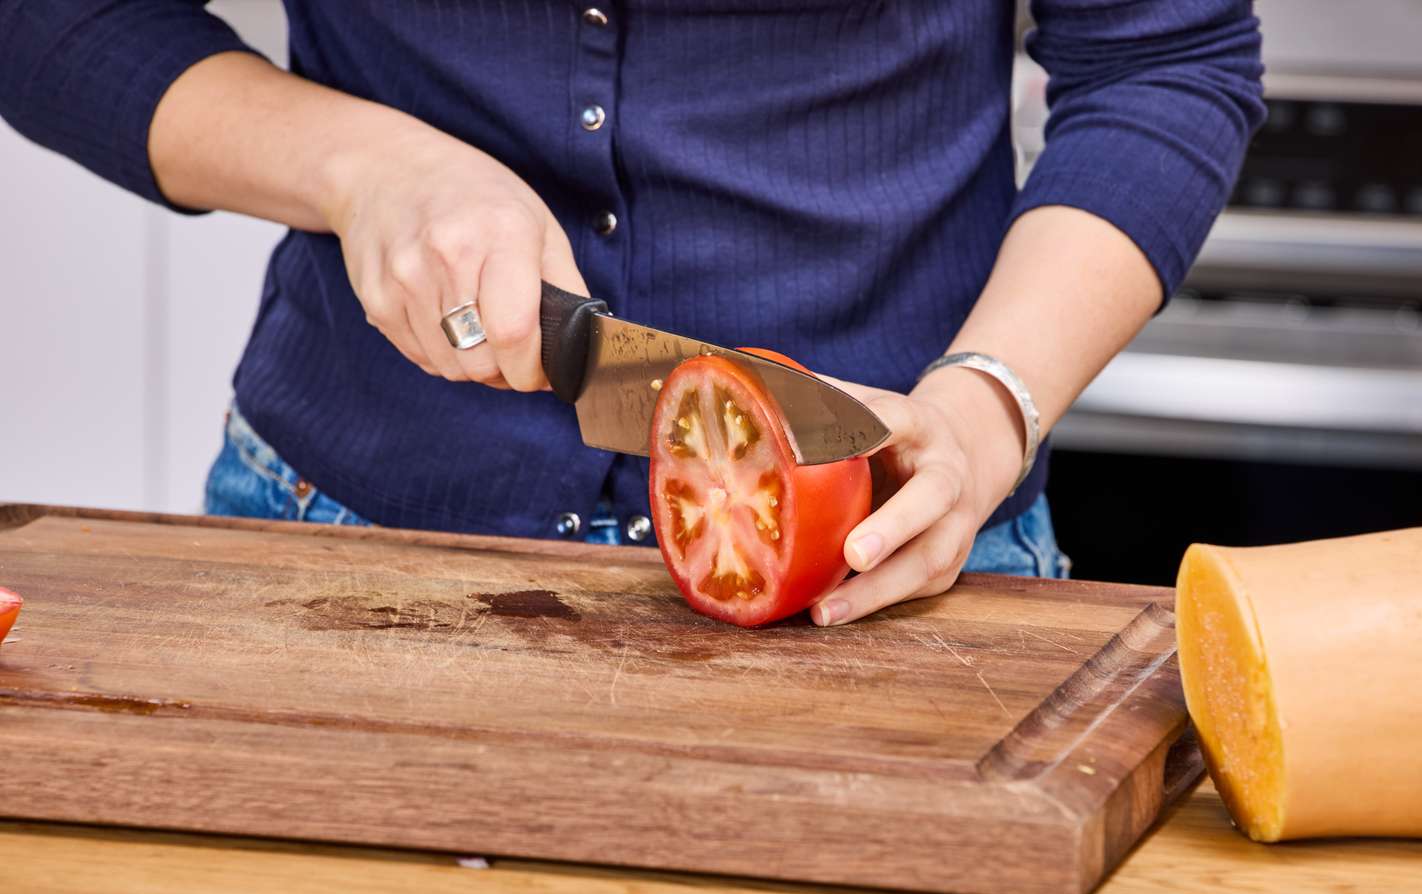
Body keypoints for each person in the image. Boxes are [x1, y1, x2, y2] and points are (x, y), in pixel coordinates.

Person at [0, 2, 1263, 626]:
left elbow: (1165, 54)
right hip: (345, 535)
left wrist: (992, 397)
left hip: (897, 562)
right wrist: (357, 166)